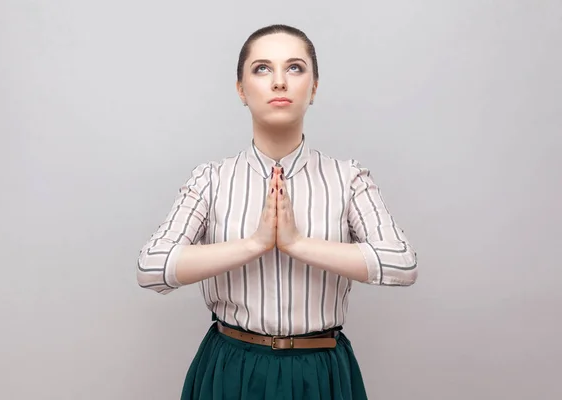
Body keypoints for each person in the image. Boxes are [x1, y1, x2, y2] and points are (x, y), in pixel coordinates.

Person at [136, 24, 418, 400]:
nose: (280, 82)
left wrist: (296, 243)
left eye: (295, 68)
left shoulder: (348, 178)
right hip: (231, 368)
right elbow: (151, 269)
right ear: (241, 89)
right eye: (262, 68)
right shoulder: (211, 179)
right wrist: (254, 244)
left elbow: (402, 263)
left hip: (320, 371)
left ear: (314, 88)